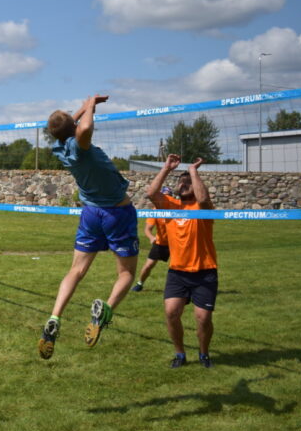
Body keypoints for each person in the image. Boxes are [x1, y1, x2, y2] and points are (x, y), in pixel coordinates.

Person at [38, 94, 139, 360]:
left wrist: (86, 105)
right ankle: (105, 310)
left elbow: (69, 126)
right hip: (117, 213)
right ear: (73, 127)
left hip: (90, 213)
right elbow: (83, 129)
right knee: (127, 273)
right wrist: (91, 106)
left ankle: (54, 317)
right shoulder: (80, 145)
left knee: (76, 270)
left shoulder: (60, 147)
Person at [147, 155, 217, 369]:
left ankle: (204, 353)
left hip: (204, 271)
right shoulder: (170, 205)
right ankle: (180, 354)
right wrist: (166, 168)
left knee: (203, 318)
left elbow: (203, 198)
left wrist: (193, 171)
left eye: (188, 182)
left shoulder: (203, 208)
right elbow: (151, 193)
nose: (183, 184)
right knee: (171, 313)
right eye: (181, 181)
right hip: (177, 272)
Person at [131, 186, 173, 292]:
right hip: (160, 242)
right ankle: (140, 284)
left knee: (178, 267)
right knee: (149, 265)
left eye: (169, 197)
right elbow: (147, 229)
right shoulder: (155, 211)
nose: (166, 199)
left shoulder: (177, 210)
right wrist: (151, 237)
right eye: (164, 197)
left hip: (175, 243)